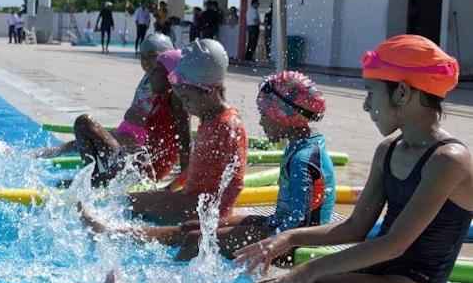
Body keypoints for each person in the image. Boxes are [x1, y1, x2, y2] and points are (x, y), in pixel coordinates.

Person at [198, 35, 472, 283]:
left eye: (371, 93)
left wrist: (308, 271)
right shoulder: (388, 150)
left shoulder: (448, 160)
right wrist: (289, 238)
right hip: (377, 275)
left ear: (402, 93)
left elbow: (395, 244)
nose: (366, 106)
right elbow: (355, 227)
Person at [81, 71, 334, 262]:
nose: (261, 121)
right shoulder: (302, 146)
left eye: (265, 115)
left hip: (292, 245)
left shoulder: (303, 159)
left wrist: (262, 233)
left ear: (286, 117)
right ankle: (116, 233)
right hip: (280, 227)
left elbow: (299, 225)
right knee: (195, 226)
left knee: (195, 240)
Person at [128, 39, 247, 224]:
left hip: (201, 211)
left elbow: (236, 180)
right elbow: (195, 167)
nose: (184, 106)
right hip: (190, 202)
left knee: (130, 204)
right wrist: (169, 189)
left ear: (208, 91)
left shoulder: (228, 125)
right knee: (130, 202)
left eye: (186, 99)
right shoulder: (208, 119)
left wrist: (217, 218)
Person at [36, 34, 178, 161]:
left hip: (136, 139)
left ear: (166, 57)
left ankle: (90, 172)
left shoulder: (166, 83)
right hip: (127, 131)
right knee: (80, 141)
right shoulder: (150, 76)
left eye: (151, 56)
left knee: (86, 130)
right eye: (142, 56)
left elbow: (168, 121)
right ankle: (59, 155)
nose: (146, 61)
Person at [67, 48, 191, 187]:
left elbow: (185, 144)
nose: (150, 74)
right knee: (83, 125)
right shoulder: (159, 100)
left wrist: (184, 185)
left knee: (85, 122)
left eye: (156, 70)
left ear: (171, 76)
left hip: (142, 173)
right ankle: (94, 178)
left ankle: (94, 180)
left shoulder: (176, 99)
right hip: (136, 164)